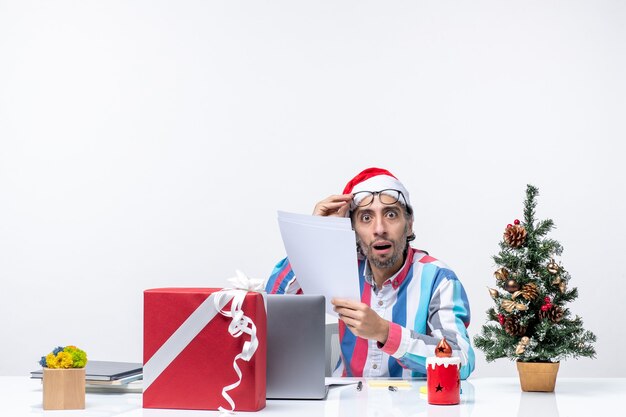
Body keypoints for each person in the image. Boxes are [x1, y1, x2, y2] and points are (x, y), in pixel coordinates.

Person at [265, 168, 475, 379]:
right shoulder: (340, 268)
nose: (379, 228)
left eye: (391, 214)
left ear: (409, 225)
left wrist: (384, 332)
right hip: (346, 404)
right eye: (366, 218)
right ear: (353, 231)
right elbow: (271, 307)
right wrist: (316, 235)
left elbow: (461, 360)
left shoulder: (438, 278)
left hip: (414, 407)